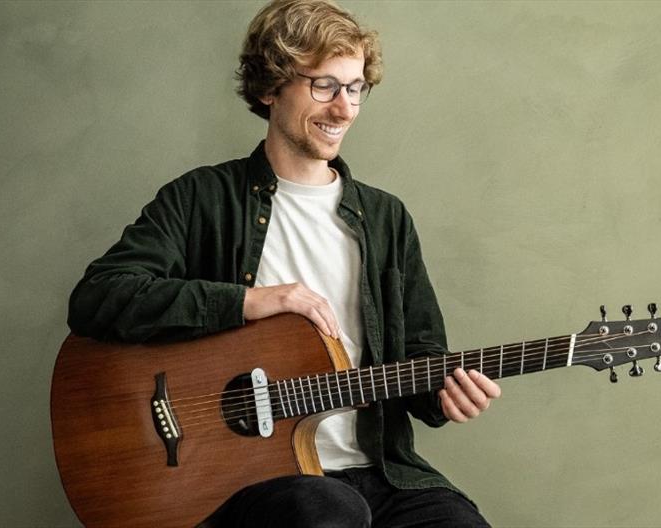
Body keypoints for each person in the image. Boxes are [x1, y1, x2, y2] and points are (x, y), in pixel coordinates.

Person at [67, 0, 500, 526]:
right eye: (324, 85)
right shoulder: (201, 197)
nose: (344, 109)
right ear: (271, 86)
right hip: (247, 478)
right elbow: (98, 297)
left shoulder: (387, 219)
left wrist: (446, 393)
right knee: (327, 511)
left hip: (378, 470)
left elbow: (420, 355)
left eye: (355, 87)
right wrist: (250, 301)